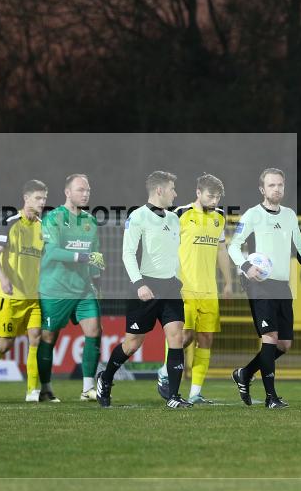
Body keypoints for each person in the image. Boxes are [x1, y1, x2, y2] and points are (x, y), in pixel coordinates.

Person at [227, 168, 301, 409]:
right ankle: (271, 398)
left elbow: (300, 248)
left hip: (282, 285)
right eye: (271, 185)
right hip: (259, 285)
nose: (277, 189)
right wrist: (246, 265)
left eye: (280, 185)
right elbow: (233, 247)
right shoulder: (252, 215)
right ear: (262, 189)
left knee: (284, 345)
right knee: (269, 338)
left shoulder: (290, 215)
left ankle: (245, 373)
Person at [96, 170, 190, 409]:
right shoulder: (137, 216)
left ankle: (174, 396)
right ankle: (105, 378)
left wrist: (178, 278)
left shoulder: (173, 219)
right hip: (145, 287)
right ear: (159, 190)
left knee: (176, 337)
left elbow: (175, 253)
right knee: (132, 344)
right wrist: (139, 284)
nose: (175, 194)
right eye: (172, 189)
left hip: (170, 288)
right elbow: (127, 253)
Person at [156, 173, 233, 404]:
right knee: (184, 336)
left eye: (218, 196)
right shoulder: (180, 214)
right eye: (211, 195)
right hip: (184, 288)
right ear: (198, 193)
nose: (215, 200)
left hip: (209, 290)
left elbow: (221, 251)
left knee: (206, 338)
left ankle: (195, 393)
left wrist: (228, 282)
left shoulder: (219, 217)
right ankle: (164, 373)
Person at [0, 180, 46, 402]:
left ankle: (33, 391)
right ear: (26, 198)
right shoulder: (10, 222)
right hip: (10, 296)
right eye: (38, 198)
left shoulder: (43, 227)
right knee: (4, 345)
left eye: (44, 198)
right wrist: (3, 279)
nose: (42, 202)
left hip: (33, 297)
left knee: (36, 338)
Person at [36, 174, 104, 402]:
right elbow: (53, 252)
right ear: (67, 192)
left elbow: (94, 257)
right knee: (48, 337)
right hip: (55, 288)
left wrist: (96, 279)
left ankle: (87, 389)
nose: (86, 193)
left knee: (94, 330)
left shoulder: (91, 221)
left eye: (88, 190)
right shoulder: (53, 218)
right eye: (80, 190)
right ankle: (45, 387)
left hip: (84, 289)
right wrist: (84, 257)